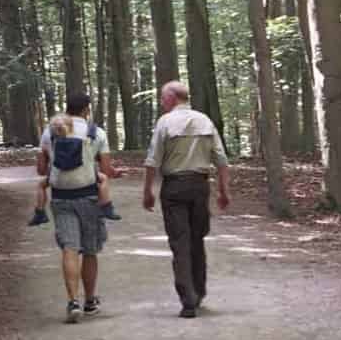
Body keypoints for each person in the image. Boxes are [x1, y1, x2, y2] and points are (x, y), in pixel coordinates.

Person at [142, 81, 230, 318]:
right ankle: (198, 292)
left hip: (174, 187)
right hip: (199, 186)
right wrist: (223, 191)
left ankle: (188, 299)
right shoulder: (205, 121)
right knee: (196, 239)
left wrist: (148, 191)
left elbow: (153, 160)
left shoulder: (165, 123)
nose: (161, 102)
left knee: (180, 242)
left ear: (171, 98)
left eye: (162, 98)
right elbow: (221, 159)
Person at [35, 94, 122, 323]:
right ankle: (90, 301)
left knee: (70, 249)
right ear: (86, 109)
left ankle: (72, 301)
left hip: (61, 197)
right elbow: (106, 168)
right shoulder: (96, 132)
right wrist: (113, 173)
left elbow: (40, 168)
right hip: (89, 198)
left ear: (67, 108)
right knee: (90, 250)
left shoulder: (50, 131)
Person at [29, 114, 119, 226]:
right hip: (83, 178)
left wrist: (50, 171)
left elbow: (42, 169)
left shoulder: (52, 142)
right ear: (71, 127)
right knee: (103, 179)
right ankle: (106, 206)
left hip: (58, 180)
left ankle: (40, 212)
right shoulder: (84, 140)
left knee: (40, 185)